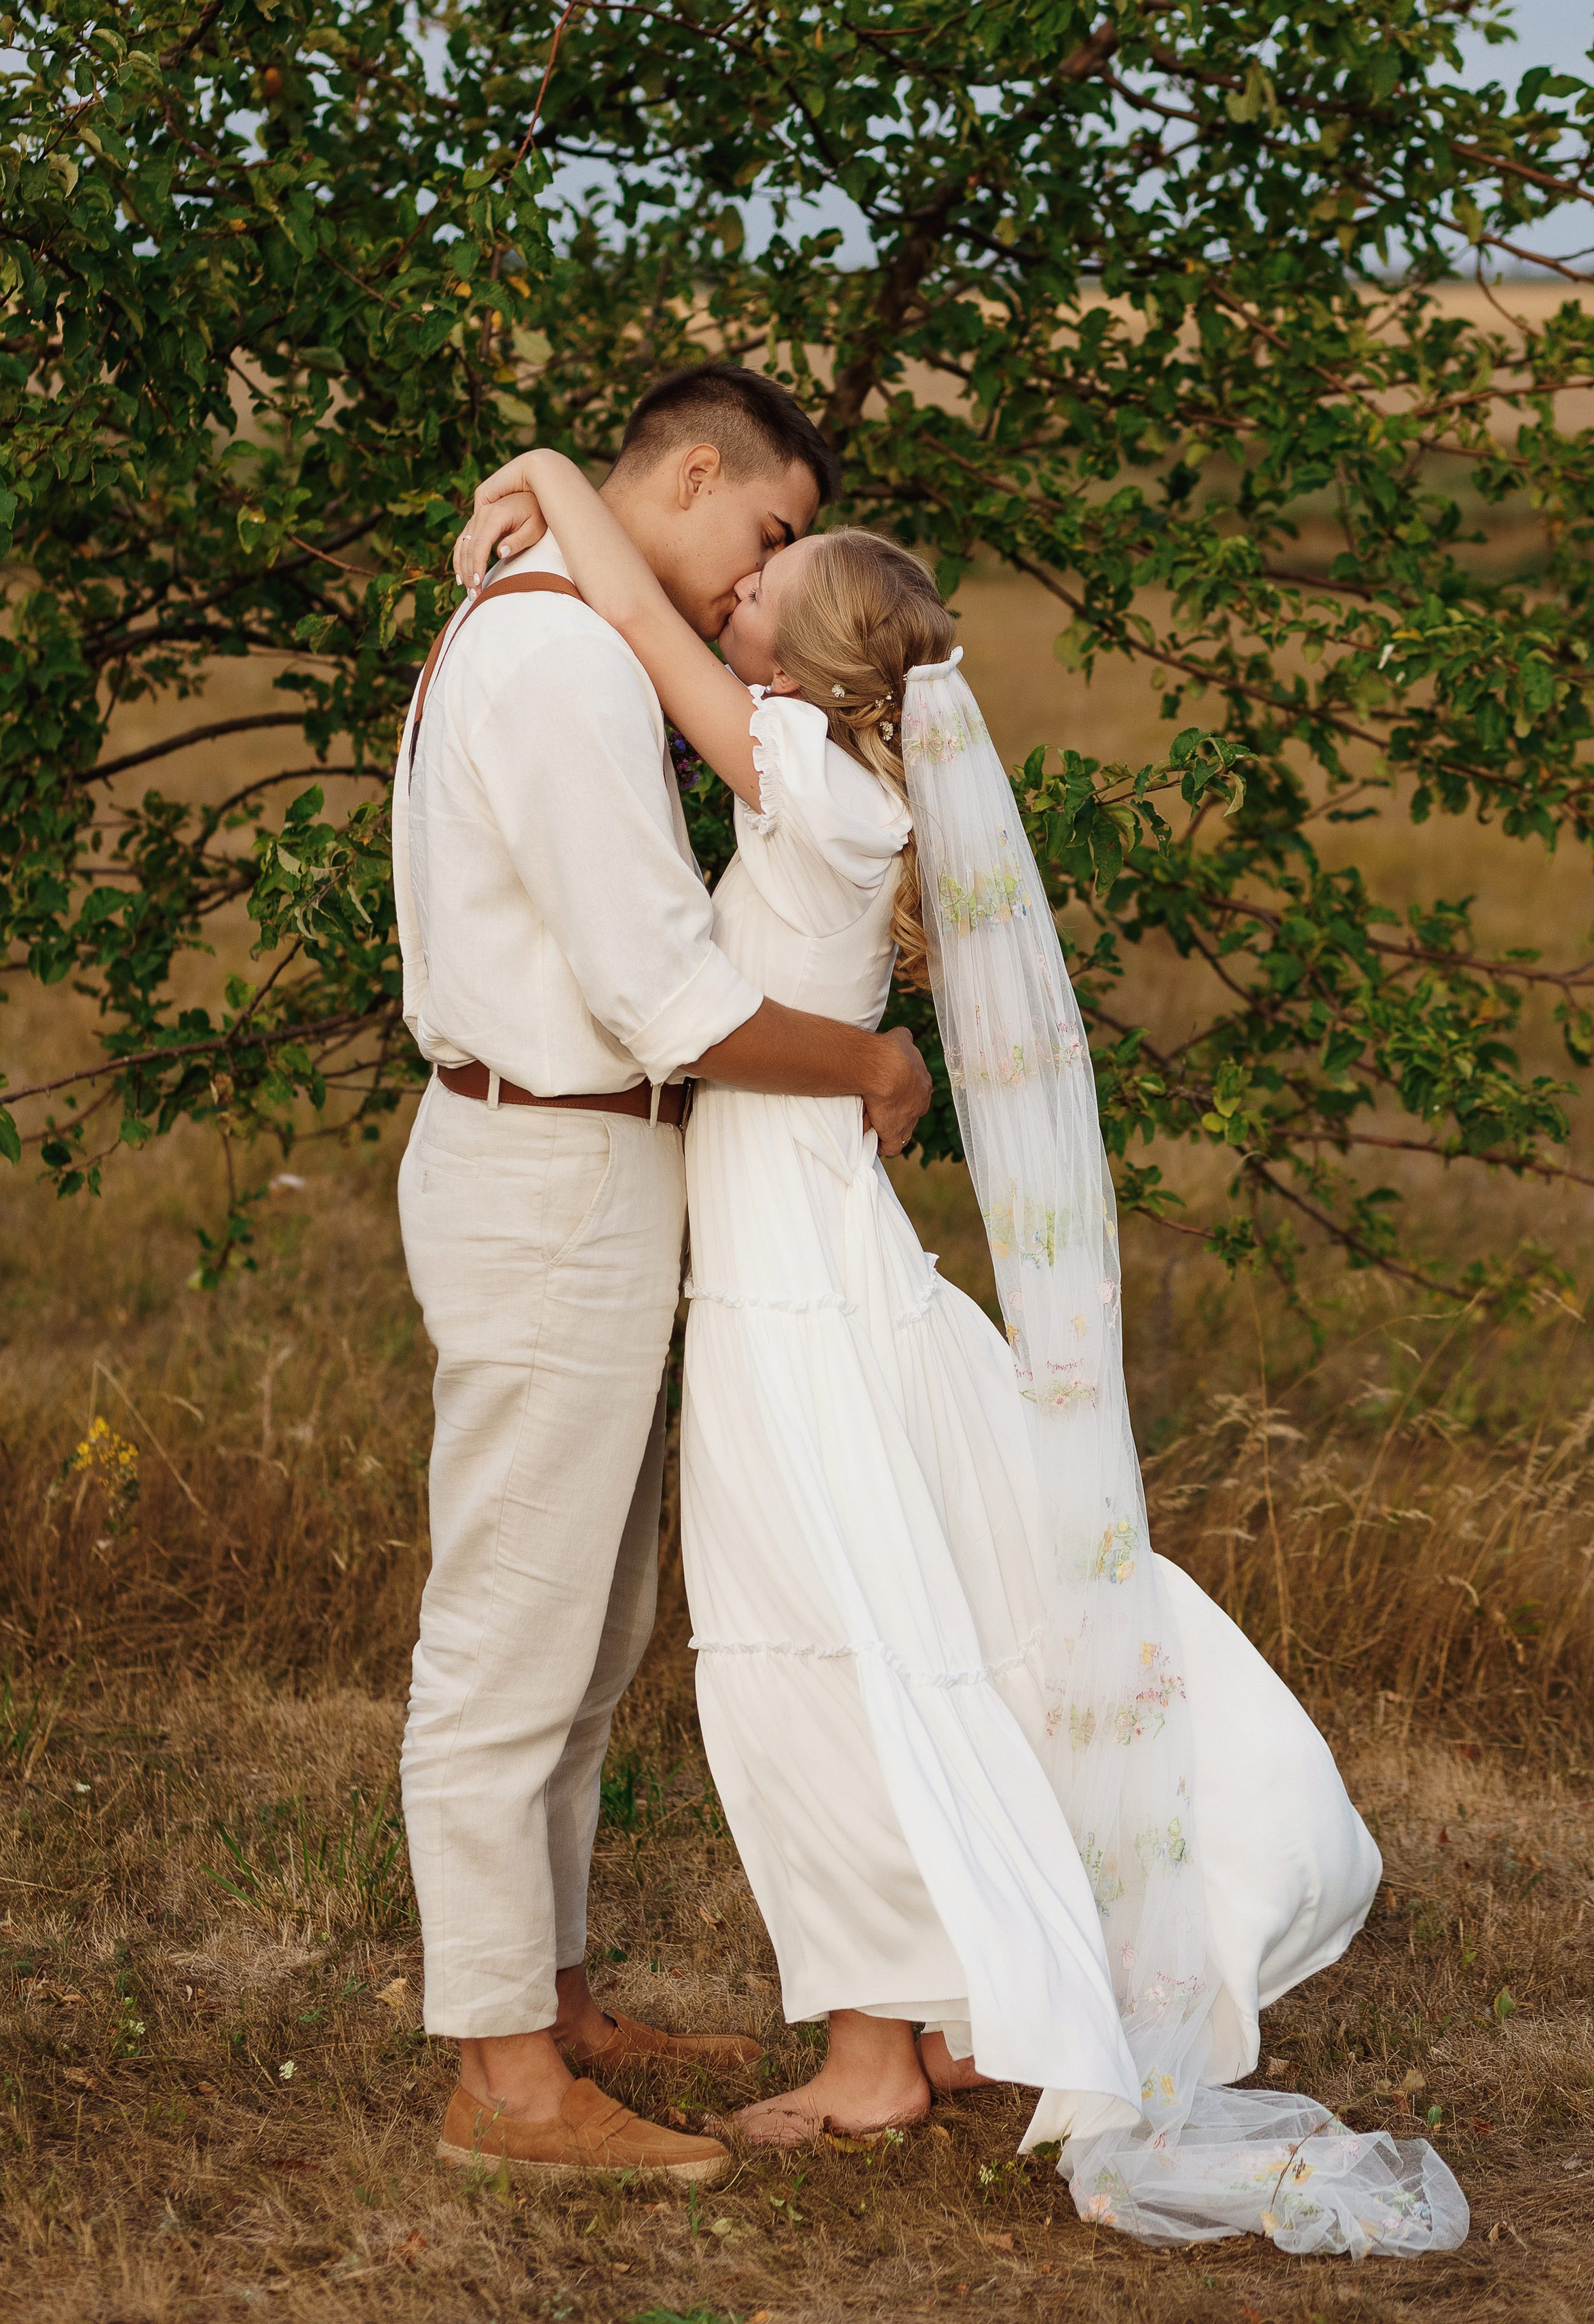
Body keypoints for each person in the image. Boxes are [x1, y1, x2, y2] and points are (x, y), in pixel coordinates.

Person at [454, 446, 1470, 2259]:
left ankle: (875, 2056)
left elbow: (622, 601)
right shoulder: (845, 788)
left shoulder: (789, 767)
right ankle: (939, 2004)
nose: (732, 591)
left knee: (820, 1630)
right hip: (803, 1242)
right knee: (882, 1602)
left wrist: (546, 472)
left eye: (765, 583)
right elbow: (648, 621)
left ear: (807, 665)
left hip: (788, 1270)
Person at [393, 365, 932, 2191]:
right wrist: (871, 1063)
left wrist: (544, 470)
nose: (754, 577)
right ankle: (502, 2080)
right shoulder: (548, 659)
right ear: (691, 473)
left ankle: (551, 1995)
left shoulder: (573, 627)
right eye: (768, 533)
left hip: (594, 1168)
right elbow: (672, 1001)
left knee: (594, 1628)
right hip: (546, 1162)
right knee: (508, 1640)